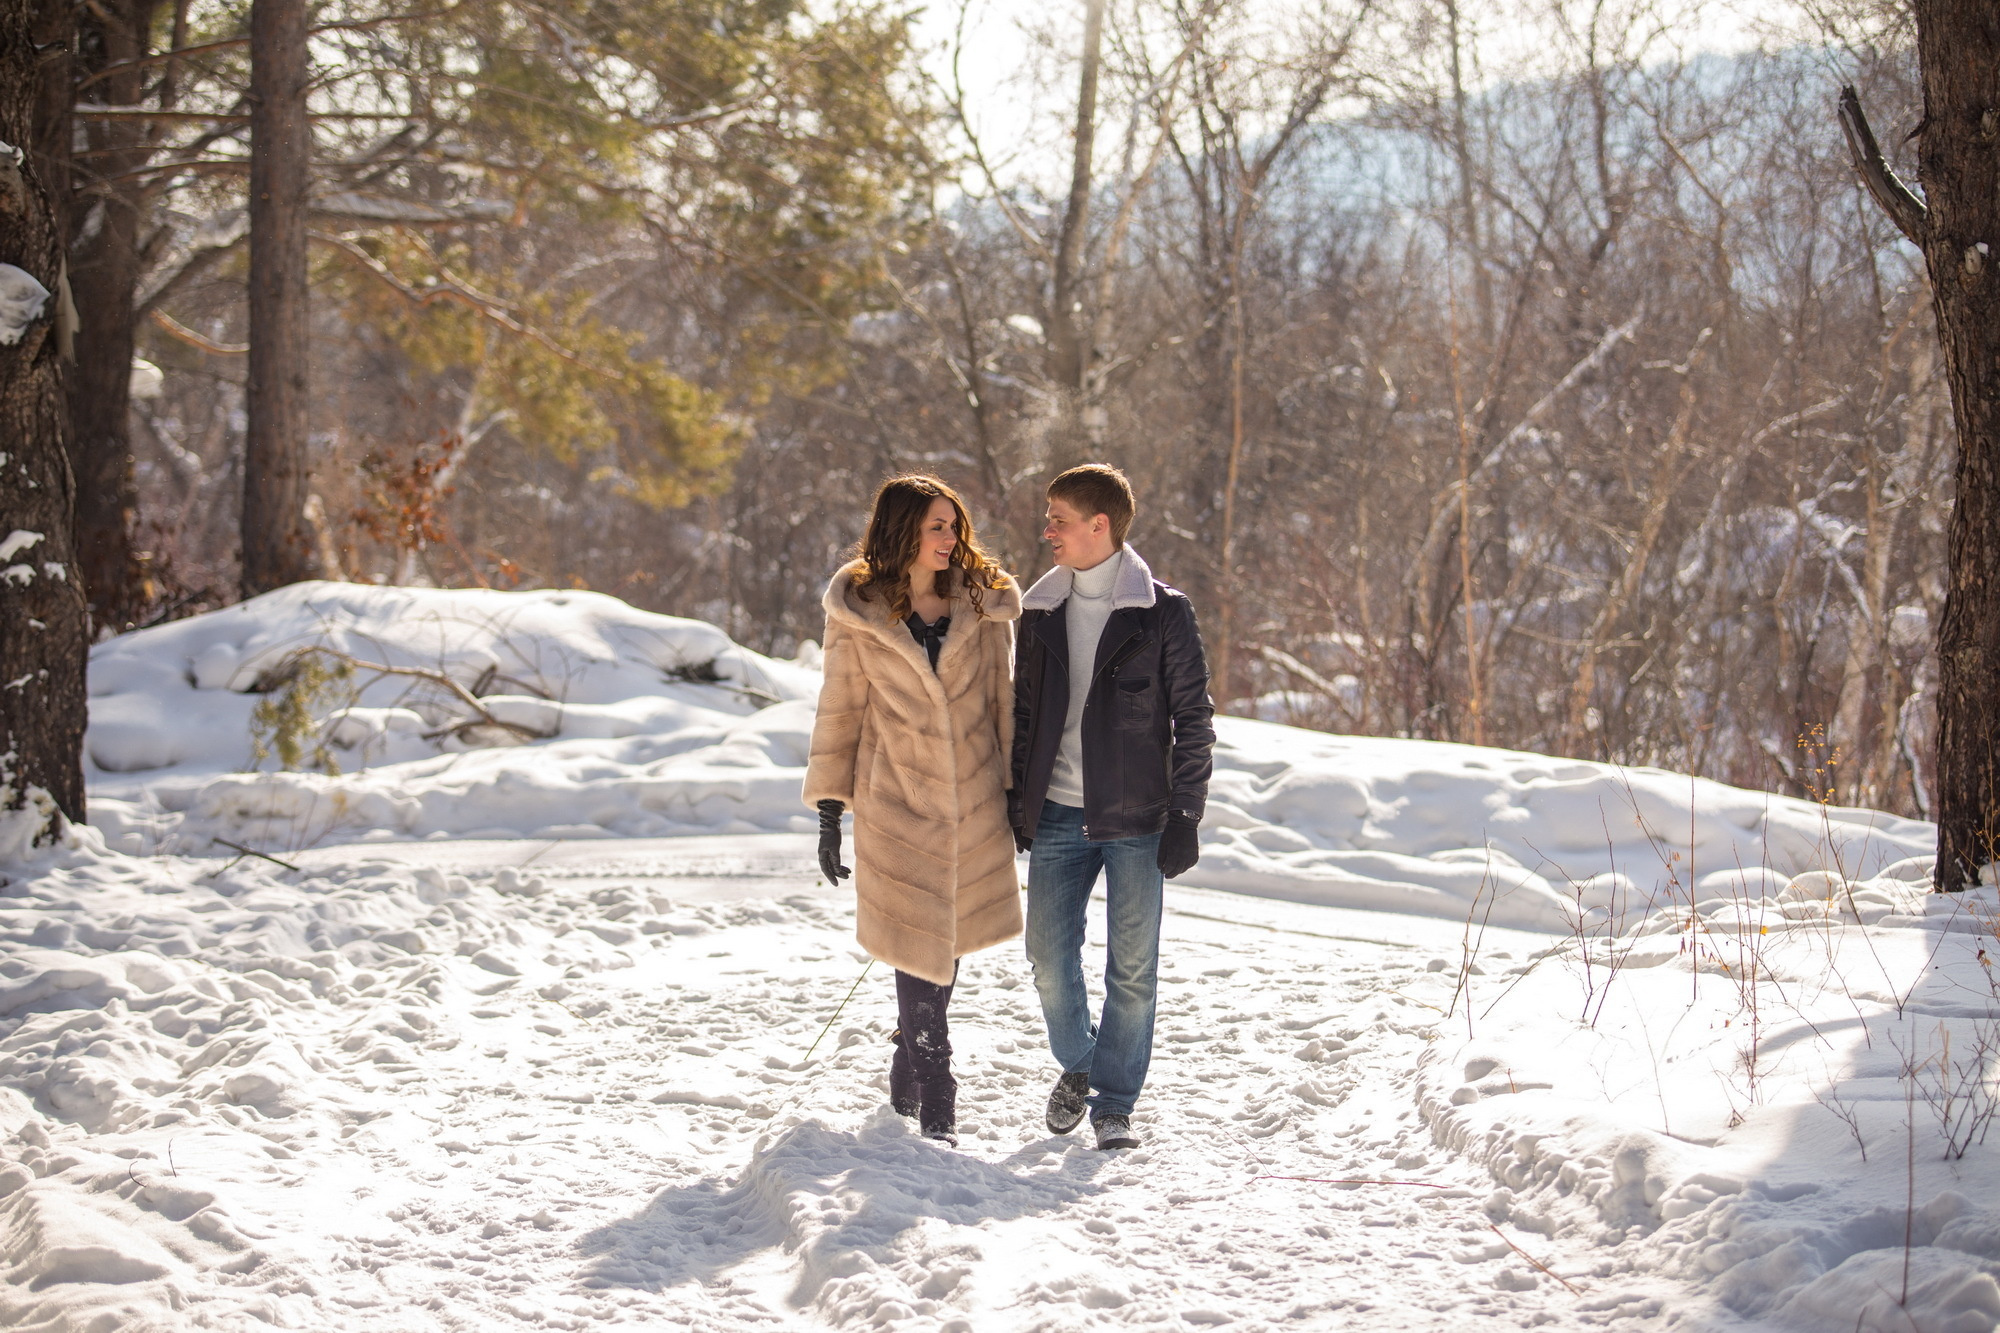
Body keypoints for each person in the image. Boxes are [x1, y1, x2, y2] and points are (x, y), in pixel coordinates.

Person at [803, 474, 1022, 1147]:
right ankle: (937, 1086)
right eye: (936, 527)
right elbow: (840, 709)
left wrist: (1014, 794)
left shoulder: (979, 604)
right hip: (895, 800)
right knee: (915, 941)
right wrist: (830, 813)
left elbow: (1002, 701)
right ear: (904, 532)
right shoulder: (860, 610)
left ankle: (908, 1054)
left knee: (944, 942)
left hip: (972, 799)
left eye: (954, 526)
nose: (950, 539)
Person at [1009, 463, 1215, 1151]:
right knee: (1045, 956)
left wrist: (1186, 814)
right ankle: (1083, 1060)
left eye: (1059, 519)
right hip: (1058, 813)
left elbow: (1194, 719)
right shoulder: (1040, 612)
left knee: (1132, 970)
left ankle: (1114, 1104)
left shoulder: (1164, 613)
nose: (1047, 530)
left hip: (1138, 819)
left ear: (1100, 525)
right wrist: (1017, 799)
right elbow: (1024, 715)